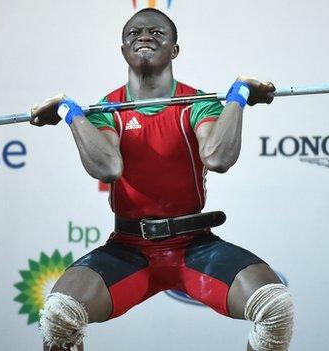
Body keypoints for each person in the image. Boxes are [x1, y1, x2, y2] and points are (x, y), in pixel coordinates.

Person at [30, 8, 293, 351]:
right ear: (123, 49)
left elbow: (218, 157)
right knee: (59, 315)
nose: (144, 36)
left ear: (175, 50)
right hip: (129, 250)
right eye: (134, 33)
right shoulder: (107, 110)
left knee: (274, 307)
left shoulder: (197, 104)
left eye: (157, 32)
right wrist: (70, 111)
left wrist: (238, 96)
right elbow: (107, 167)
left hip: (194, 247)